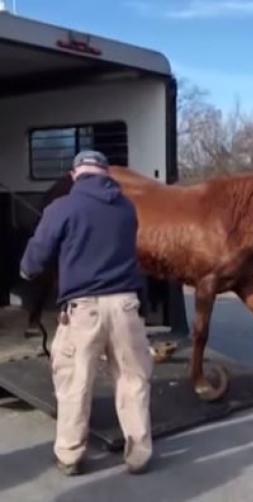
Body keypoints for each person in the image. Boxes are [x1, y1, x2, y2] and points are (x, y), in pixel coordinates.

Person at [20, 151, 152, 476]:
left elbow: (37, 256)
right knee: (133, 379)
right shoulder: (126, 208)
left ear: (75, 174)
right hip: (125, 305)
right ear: (107, 174)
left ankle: (70, 454)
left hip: (84, 311)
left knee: (75, 381)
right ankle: (139, 454)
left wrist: (26, 271)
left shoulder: (62, 207)